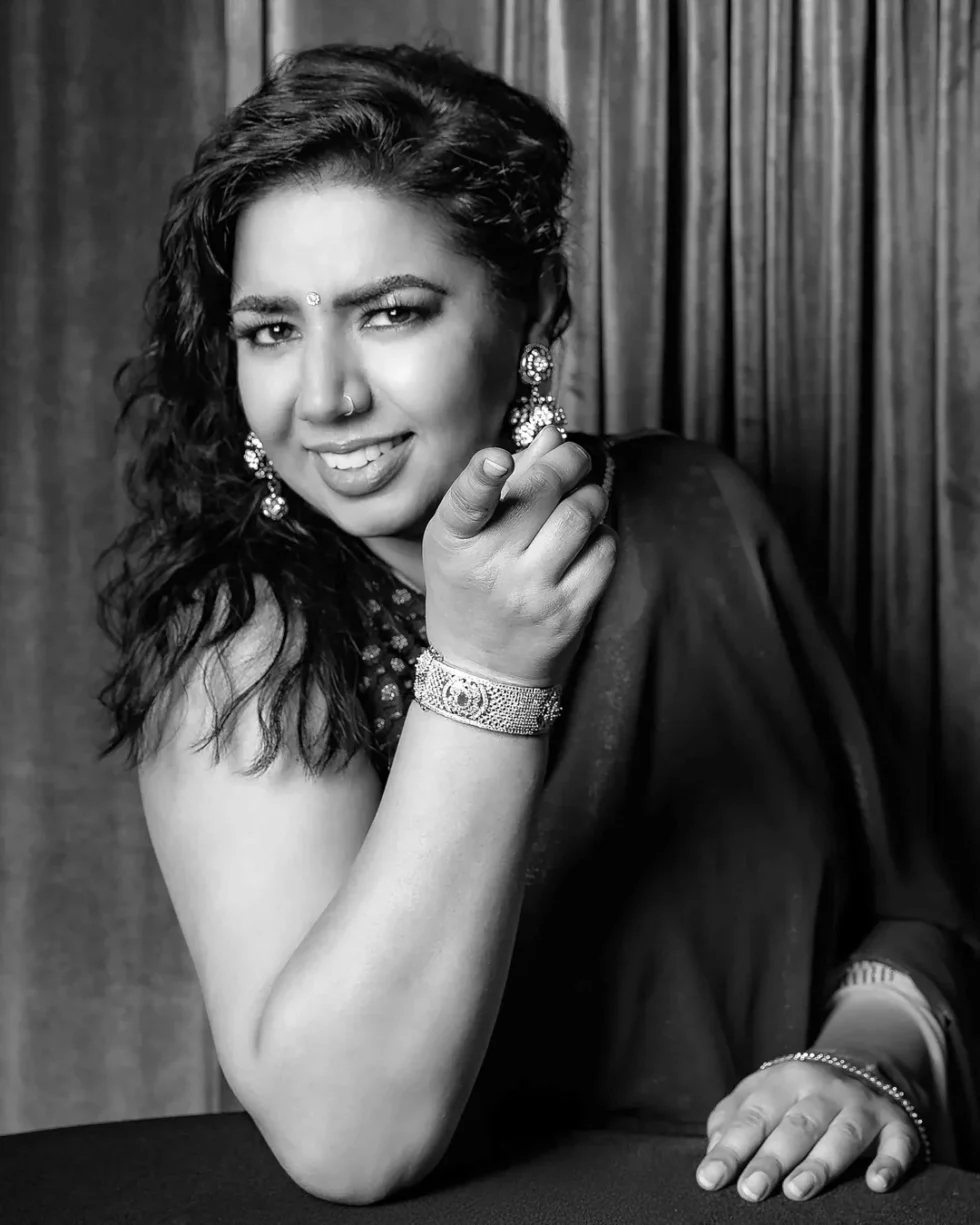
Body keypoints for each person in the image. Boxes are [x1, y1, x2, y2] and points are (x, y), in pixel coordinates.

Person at [95, 42, 980, 1206]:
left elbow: (909, 910)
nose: (324, 395)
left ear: (532, 312)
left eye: (390, 312)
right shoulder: (240, 648)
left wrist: (858, 1062)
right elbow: (346, 1138)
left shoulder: (699, 515)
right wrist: (486, 671)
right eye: (270, 329)